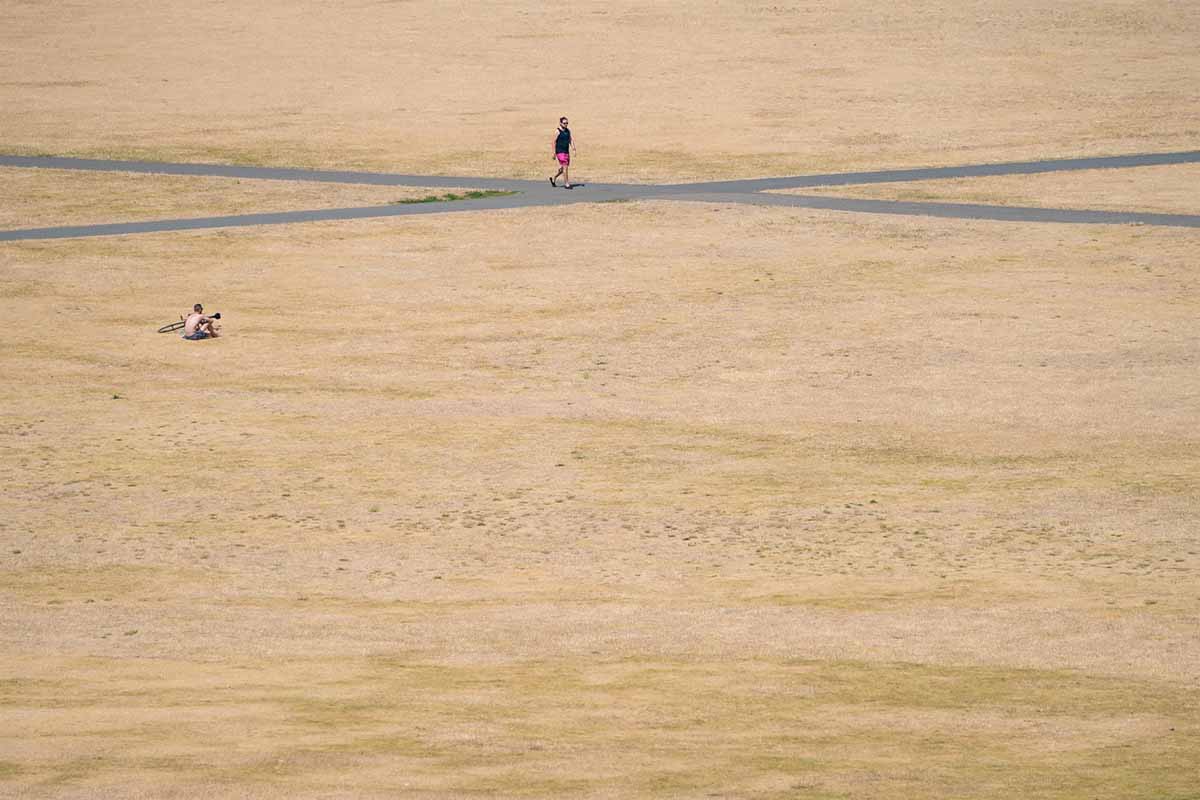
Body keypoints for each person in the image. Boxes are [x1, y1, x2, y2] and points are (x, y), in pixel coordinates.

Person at [549, 116, 576, 189]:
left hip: (566, 151)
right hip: (560, 152)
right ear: (560, 123)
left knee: (563, 168)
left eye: (567, 123)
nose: (566, 124)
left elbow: (570, 140)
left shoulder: (568, 131)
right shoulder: (557, 131)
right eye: (564, 123)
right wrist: (554, 153)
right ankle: (567, 184)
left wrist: (573, 149)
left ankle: (554, 178)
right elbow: (553, 142)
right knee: (565, 167)